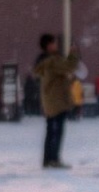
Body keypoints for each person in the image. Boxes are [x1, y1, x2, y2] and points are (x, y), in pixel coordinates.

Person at [34, 33, 79, 168]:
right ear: (49, 45)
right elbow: (69, 67)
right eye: (54, 43)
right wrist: (74, 55)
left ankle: (48, 159)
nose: (56, 45)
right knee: (56, 131)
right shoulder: (52, 61)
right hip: (57, 101)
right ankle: (53, 159)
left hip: (51, 101)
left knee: (51, 131)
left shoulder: (44, 61)